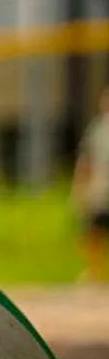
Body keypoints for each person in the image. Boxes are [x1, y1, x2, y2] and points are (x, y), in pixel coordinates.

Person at [73, 86, 109, 281]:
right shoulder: (97, 130)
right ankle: (95, 271)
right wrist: (80, 188)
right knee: (93, 232)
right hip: (100, 191)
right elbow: (86, 160)